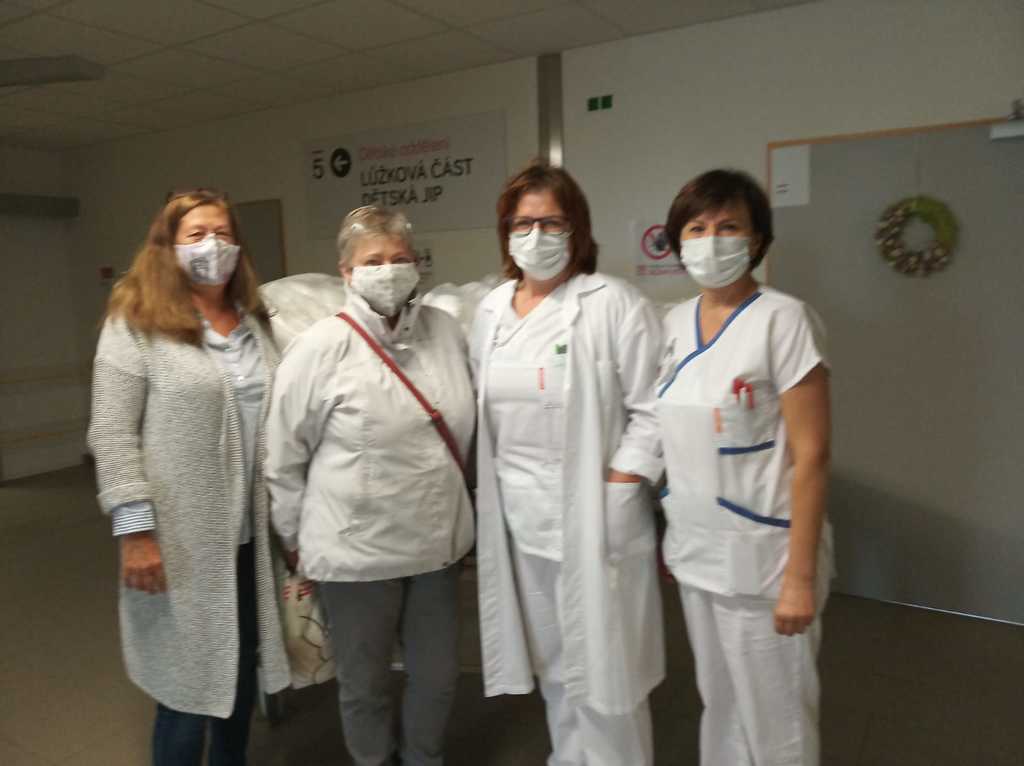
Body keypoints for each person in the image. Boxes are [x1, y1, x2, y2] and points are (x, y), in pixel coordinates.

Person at [265, 206, 475, 766]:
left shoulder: (445, 333)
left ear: (417, 264)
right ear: (346, 271)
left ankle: (423, 757)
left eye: (399, 258)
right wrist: (294, 539)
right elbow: (283, 457)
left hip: (436, 547)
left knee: (437, 677)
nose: (388, 270)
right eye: (373, 260)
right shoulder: (319, 347)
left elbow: (464, 428)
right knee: (366, 685)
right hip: (354, 555)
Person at [471, 162, 665, 766]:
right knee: (555, 663)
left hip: (596, 521)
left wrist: (619, 484)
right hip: (522, 522)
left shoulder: (614, 304)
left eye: (552, 222)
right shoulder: (491, 310)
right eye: (523, 223)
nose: (537, 235)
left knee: (609, 672)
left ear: (576, 229)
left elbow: (653, 410)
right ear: (506, 232)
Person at [87, 188, 290, 766]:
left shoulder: (255, 323)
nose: (212, 245)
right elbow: (112, 432)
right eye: (196, 234)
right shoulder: (136, 322)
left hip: (250, 540)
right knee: (184, 688)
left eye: (223, 234)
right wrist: (136, 534)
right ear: (167, 247)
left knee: (240, 672)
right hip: (176, 541)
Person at [657, 169, 833, 765]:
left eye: (728, 226)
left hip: (766, 562)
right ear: (679, 240)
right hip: (696, 554)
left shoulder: (784, 320)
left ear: (756, 239)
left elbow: (812, 455)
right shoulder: (672, 323)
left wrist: (799, 579)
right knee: (722, 705)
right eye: (696, 228)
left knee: (777, 721)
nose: (711, 240)